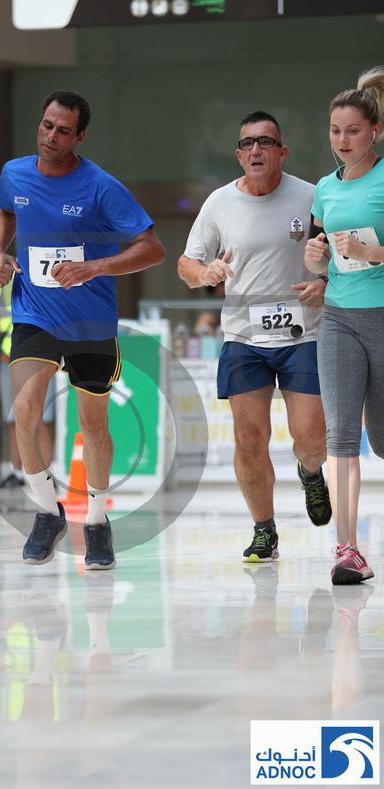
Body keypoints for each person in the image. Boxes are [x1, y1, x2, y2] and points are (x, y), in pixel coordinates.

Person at [0, 90, 164, 569]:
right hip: (35, 315)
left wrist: (95, 267)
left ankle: (98, 521)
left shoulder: (101, 187)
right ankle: (48, 512)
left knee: (93, 425)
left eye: (63, 130)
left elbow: (153, 249)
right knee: (25, 409)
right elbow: (5, 209)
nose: (51, 136)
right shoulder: (14, 174)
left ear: (80, 136)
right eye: (47, 125)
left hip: (90, 322)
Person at [178, 110, 331, 563]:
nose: (256, 149)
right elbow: (186, 265)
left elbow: (342, 256)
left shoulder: (312, 196)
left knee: (312, 439)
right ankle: (264, 530)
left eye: (266, 142)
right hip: (244, 337)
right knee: (249, 439)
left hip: (304, 334)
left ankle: (310, 472)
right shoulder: (219, 202)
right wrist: (205, 272)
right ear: (238, 154)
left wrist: (325, 283)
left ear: (282, 152)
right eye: (248, 143)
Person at [305, 66, 384, 585]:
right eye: (335, 131)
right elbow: (316, 257)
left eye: (353, 130)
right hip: (338, 317)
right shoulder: (323, 190)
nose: (342, 140)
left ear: (374, 131)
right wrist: (315, 259)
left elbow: (366, 251)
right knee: (341, 435)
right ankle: (347, 550)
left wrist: (371, 252)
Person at [0, 283, 56, 488]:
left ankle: (45, 474)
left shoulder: (46, 270)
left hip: (42, 356)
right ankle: (16, 472)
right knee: (12, 417)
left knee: (42, 416)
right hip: (9, 356)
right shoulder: (2, 276)